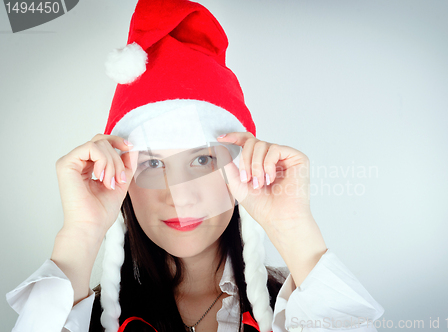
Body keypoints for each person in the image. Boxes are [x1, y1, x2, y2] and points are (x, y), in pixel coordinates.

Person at [6, 0, 385, 331]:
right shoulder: (78, 316)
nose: (180, 196)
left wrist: (295, 231)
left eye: (202, 159)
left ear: (241, 170)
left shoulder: (299, 308)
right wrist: (80, 234)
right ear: (120, 179)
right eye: (153, 163)